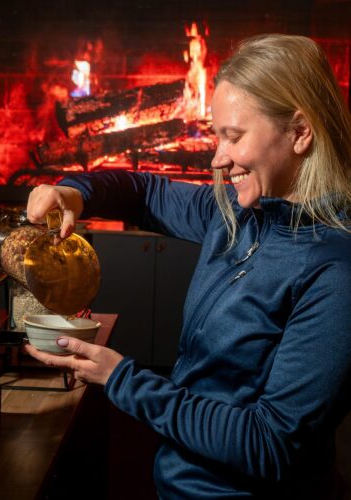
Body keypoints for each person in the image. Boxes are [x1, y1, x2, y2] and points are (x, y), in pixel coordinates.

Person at [23, 34, 351, 499]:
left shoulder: (335, 273)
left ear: (300, 131)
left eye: (233, 137)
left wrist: (122, 379)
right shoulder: (236, 213)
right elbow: (143, 191)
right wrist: (73, 192)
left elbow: (271, 443)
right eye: (217, 135)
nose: (217, 159)